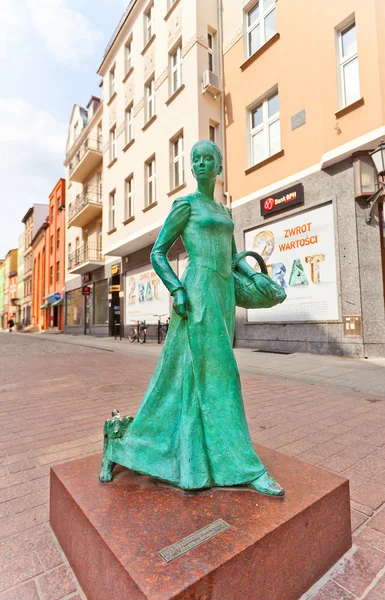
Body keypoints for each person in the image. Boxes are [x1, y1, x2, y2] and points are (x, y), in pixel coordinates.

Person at [100, 140, 284, 496]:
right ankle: (246, 468)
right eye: (195, 159)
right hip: (196, 295)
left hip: (223, 295)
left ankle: (171, 455)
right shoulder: (186, 205)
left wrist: (258, 279)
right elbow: (158, 253)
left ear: (218, 167)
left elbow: (233, 261)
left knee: (183, 382)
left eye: (208, 159)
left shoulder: (223, 209)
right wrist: (177, 290)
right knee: (223, 377)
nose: (201, 164)